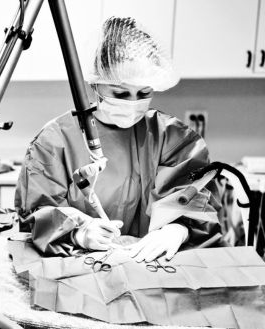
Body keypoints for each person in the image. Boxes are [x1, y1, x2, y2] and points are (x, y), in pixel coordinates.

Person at [15, 16, 224, 262]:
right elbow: (37, 213)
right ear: (95, 83)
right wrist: (77, 233)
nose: (132, 103)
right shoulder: (54, 141)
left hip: (150, 270)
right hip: (81, 273)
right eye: (121, 93)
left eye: (144, 92)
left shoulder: (174, 139)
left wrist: (179, 230)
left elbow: (199, 201)